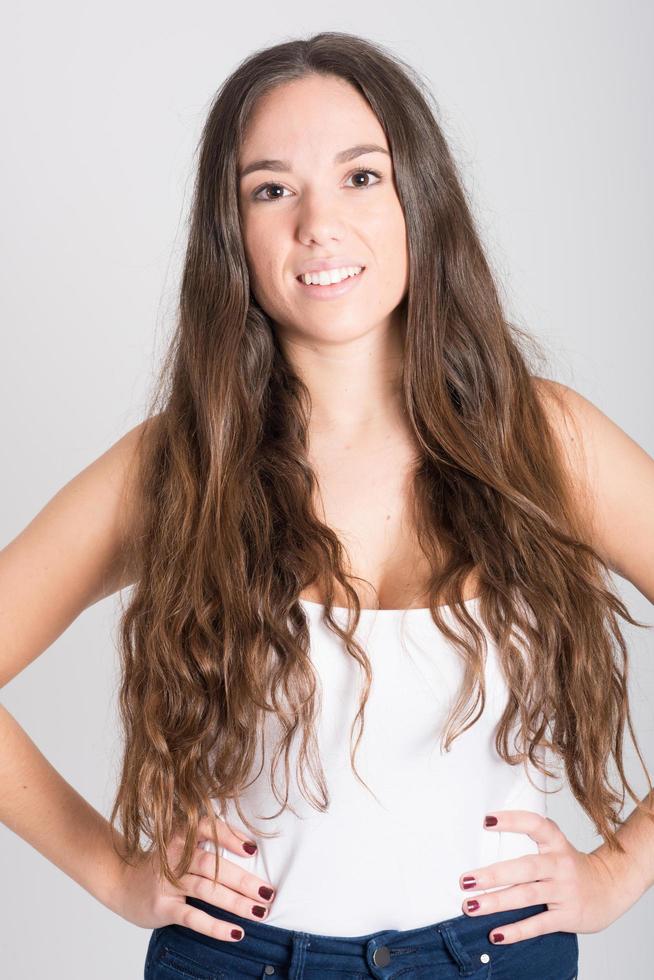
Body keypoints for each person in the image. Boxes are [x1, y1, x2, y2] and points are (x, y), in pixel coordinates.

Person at [2, 31, 653, 980]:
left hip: (494, 960)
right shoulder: (185, 462)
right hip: (236, 960)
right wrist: (113, 872)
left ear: (418, 198)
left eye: (360, 176)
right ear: (235, 234)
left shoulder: (542, 438)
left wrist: (620, 873)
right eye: (272, 188)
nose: (318, 223)